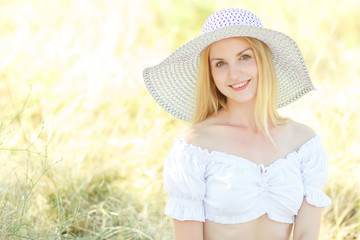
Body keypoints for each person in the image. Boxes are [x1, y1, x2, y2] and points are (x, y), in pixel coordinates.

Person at [143, 8, 331, 240]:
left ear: (263, 59)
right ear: (210, 73)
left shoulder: (303, 143)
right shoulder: (194, 147)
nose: (234, 74)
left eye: (244, 57)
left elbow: (306, 235)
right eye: (220, 63)